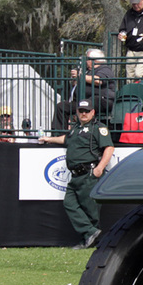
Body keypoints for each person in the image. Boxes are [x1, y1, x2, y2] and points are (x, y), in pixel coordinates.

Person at [37, 99, 114, 248]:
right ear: (77, 113)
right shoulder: (75, 128)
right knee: (69, 203)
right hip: (75, 175)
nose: (83, 114)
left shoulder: (98, 128)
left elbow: (109, 148)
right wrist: (48, 139)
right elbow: (66, 139)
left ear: (93, 112)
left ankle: (89, 240)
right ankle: (90, 233)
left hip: (89, 173)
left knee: (90, 209)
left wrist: (100, 167)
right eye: (81, 111)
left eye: (86, 111)